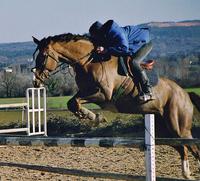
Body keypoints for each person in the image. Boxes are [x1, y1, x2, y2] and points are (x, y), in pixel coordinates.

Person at [89, 20, 154, 102]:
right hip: (130, 42)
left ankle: (148, 91)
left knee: (134, 62)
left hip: (144, 43)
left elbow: (124, 49)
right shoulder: (104, 33)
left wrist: (106, 50)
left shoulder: (117, 33)